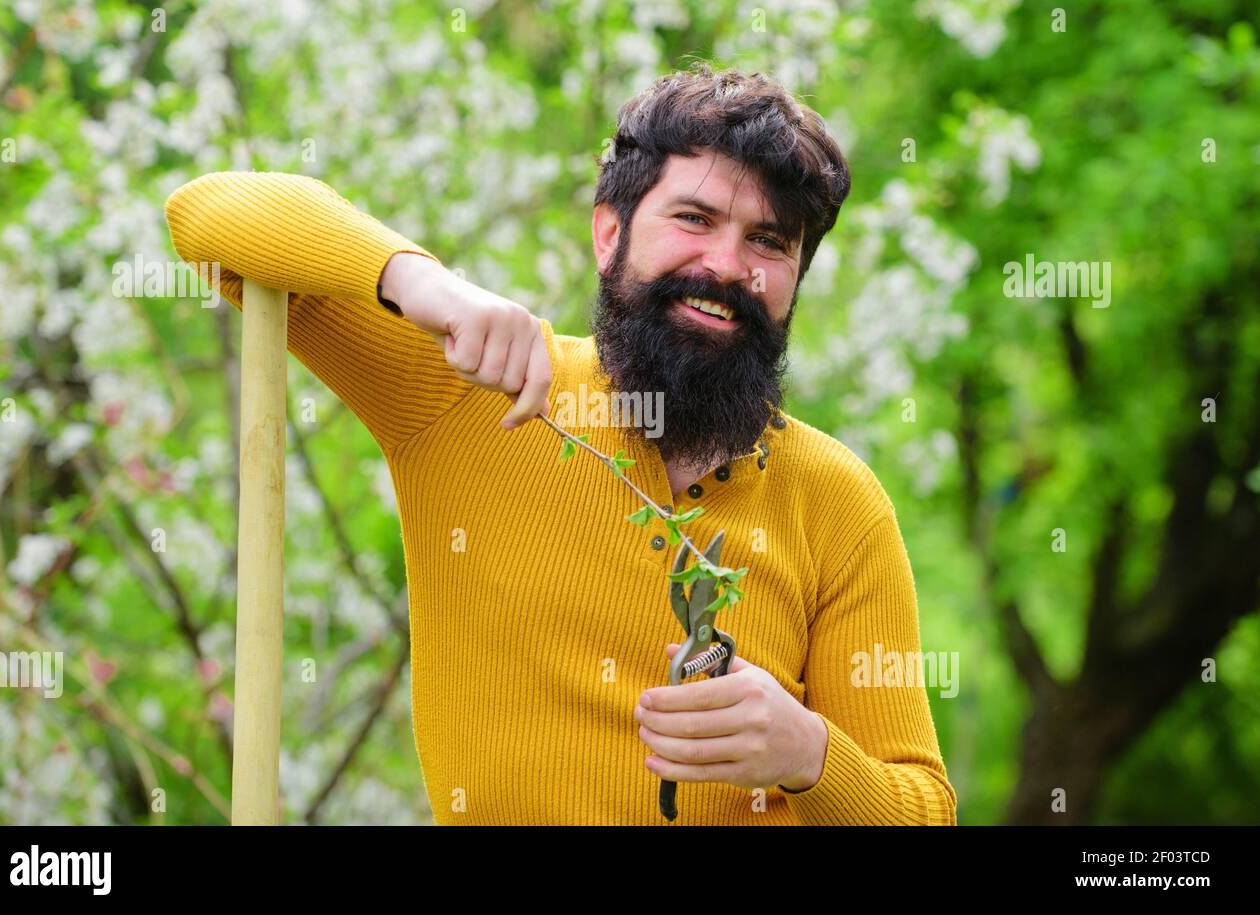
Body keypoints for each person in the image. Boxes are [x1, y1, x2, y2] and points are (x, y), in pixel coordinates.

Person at [164, 63, 956, 825]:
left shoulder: (840, 502)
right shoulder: (474, 390)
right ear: (608, 234)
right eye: (694, 219)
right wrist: (423, 284)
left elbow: (924, 810)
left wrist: (808, 752)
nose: (726, 264)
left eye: (770, 242)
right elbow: (208, 216)